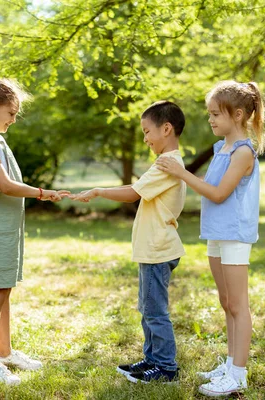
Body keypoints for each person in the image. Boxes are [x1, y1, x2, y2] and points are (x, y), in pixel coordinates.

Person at [157, 81, 265, 396]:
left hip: (234, 234)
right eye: (210, 114)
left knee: (238, 304)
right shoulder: (223, 149)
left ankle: (239, 374)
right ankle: (230, 363)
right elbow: (211, 186)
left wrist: (183, 174)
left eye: (216, 114)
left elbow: (218, 194)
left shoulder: (244, 152)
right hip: (217, 233)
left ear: (239, 114)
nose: (211, 120)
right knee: (226, 302)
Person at [71, 100, 187, 384]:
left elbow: (132, 194)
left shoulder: (167, 163)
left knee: (155, 311)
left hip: (158, 249)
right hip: (153, 248)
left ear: (167, 128)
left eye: (147, 131)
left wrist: (98, 191)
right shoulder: (167, 162)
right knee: (147, 308)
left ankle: (165, 367)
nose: (145, 138)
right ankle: (152, 359)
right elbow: (136, 190)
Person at [0, 79, 69, 384]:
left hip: (6, 226)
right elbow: (5, 186)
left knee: (4, 287)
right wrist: (43, 192)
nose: (13, 119)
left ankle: (4, 351)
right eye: (11, 112)